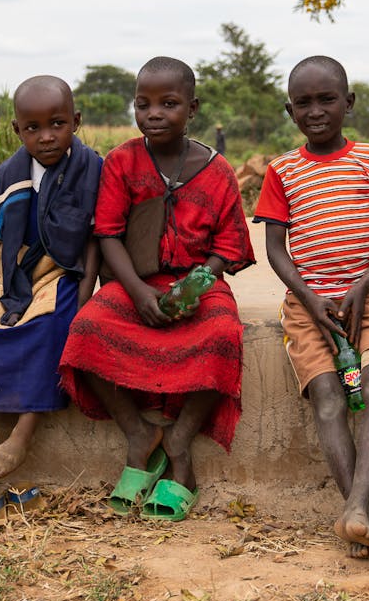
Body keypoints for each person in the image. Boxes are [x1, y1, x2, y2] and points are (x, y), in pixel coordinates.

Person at [58, 56, 254, 521]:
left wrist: (196, 287)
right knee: (86, 330)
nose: (154, 114)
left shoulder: (219, 170)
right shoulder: (123, 162)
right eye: (143, 104)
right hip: (135, 282)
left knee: (223, 336)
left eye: (169, 103)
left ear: (193, 108)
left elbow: (228, 245)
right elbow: (107, 232)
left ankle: (181, 443)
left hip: (199, 282)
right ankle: (137, 433)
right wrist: (139, 293)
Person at [253, 56, 369, 560]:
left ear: (349, 102)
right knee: (328, 399)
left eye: (327, 99)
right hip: (307, 305)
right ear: (289, 109)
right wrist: (309, 298)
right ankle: (360, 509)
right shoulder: (281, 171)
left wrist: (362, 286)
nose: (315, 111)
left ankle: (357, 506)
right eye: (303, 102)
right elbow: (276, 248)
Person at [0, 76, 102, 499]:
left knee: (52, 327)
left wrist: (84, 294)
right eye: (33, 128)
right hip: (7, 267)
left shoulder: (93, 167)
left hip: (61, 268)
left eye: (57, 124)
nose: (46, 137)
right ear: (17, 129)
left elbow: (97, 236)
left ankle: (21, 438)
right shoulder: (10, 171)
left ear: (76, 121)